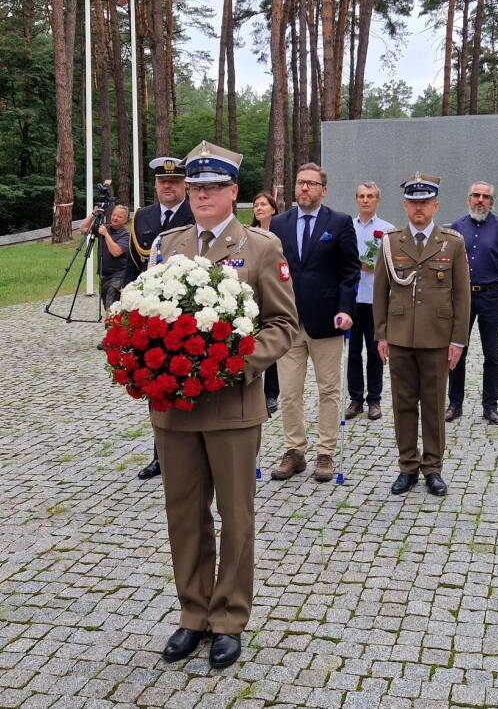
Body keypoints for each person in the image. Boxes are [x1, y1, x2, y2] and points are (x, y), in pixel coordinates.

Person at [151, 140, 299, 670]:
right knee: (184, 515)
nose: (200, 196)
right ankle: (193, 614)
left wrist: (235, 364)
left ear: (233, 192)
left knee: (235, 516)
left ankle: (229, 619)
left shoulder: (260, 248)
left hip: (233, 405)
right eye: (194, 188)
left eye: (212, 188)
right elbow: (150, 317)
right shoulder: (168, 245)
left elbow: (284, 325)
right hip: (176, 409)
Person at [373, 173, 470, 497]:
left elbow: (461, 295)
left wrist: (458, 340)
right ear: (405, 205)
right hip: (400, 337)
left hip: (436, 338)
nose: (419, 208)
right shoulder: (390, 242)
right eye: (413, 202)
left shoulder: (452, 243)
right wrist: (381, 334)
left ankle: (433, 467)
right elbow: (380, 292)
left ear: (435, 205)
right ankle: (407, 466)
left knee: (433, 404)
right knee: (402, 405)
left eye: (425, 202)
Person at [268, 163, 359, 483]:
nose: (304, 188)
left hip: (327, 321)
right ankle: (294, 450)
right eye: (300, 183)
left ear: (324, 189)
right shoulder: (278, 224)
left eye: (311, 184)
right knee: (289, 393)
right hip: (289, 321)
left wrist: (346, 308)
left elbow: (350, 272)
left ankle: (325, 452)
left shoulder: (339, 222)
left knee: (329, 390)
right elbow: (270, 270)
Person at [130, 155, 196, 481]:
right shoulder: (142, 217)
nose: (167, 186)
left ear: (184, 184)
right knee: (157, 387)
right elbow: (134, 269)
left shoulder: (195, 212)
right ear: (155, 185)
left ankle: (191, 454)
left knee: (191, 382)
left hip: (191, 316)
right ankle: (161, 454)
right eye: (162, 182)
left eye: (174, 181)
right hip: (153, 318)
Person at [447, 182, 498, 426]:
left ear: (492, 202)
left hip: (491, 297)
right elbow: (446, 264)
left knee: (492, 354)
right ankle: (455, 404)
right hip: (462, 297)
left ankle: (490, 406)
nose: (480, 200)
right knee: (457, 351)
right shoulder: (456, 227)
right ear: (468, 198)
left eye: (485, 197)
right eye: (476, 195)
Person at [344, 182, 393, 421]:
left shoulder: (387, 230)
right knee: (353, 352)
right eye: (361, 196)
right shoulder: (347, 227)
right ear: (356, 199)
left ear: (377, 200)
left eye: (370, 196)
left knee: (375, 352)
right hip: (352, 300)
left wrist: (375, 267)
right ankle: (355, 399)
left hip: (375, 300)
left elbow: (394, 265)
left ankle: (374, 399)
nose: (365, 200)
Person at [250, 192, 282, 417]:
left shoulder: (281, 233)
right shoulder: (248, 235)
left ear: (273, 208)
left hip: (273, 293)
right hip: (253, 299)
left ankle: (271, 393)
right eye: (255, 205)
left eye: (263, 204)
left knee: (271, 346)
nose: (259, 208)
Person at [80, 203, 131, 309]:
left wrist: (106, 235)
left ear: (125, 220)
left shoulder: (126, 234)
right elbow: (83, 228)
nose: (115, 218)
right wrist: (94, 214)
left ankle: (112, 324)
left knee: (112, 305)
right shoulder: (105, 228)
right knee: (106, 305)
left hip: (119, 275)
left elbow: (116, 252)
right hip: (104, 274)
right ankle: (111, 324)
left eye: (119, 216)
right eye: (114, 215)